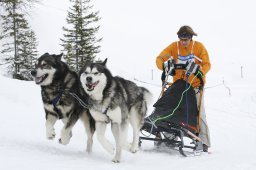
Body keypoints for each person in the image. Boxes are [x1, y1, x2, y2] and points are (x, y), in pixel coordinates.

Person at [155, 25, 211, 152]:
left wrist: (200, 70)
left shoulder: (199, 47)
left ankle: (204, 141)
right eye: (181, 39)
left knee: (199, 114)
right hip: (179, 86)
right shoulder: (174, 47)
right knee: (172, 109)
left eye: (186, 39)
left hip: (195, 85)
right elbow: (159, 58)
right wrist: (163, 65)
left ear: (191, 38)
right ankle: (169, 136)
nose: (183, 42)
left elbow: (207, 64)